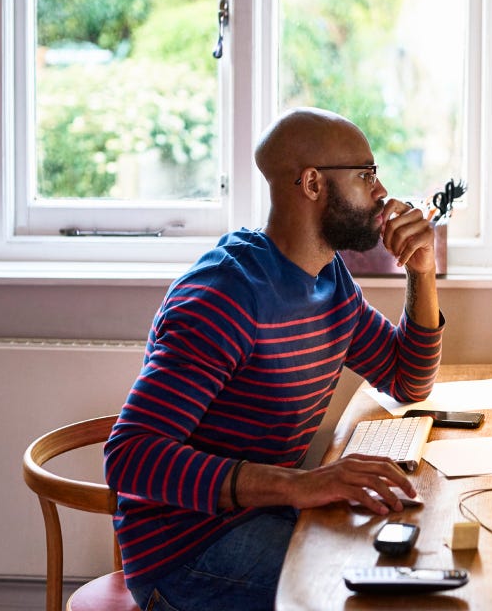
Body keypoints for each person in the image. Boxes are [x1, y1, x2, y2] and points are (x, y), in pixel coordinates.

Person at [104, 107, 444, 611]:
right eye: (366, 175)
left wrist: (422, 270)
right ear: (311, 184)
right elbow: (130, 456)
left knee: (416, 562)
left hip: (266, 517)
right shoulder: (225, 295)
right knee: (387, 598)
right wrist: (299, 484)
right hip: (187, 553)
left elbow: (406, 380)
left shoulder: (330, 282)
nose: (381, 192)